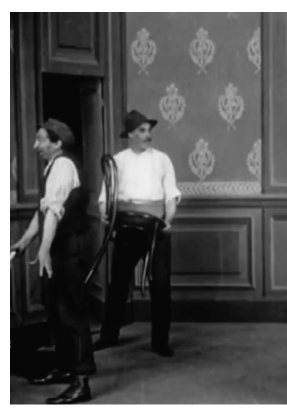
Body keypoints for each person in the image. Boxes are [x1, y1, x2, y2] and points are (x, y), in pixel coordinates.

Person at [12, 119, 96, 403]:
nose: (35, 146)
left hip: (69, 248)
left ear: (57, 143)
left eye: (40, 139)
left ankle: (81, 381)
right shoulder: (52, 167)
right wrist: (24, 243)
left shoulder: (63, 166)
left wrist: (44, 249)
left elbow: (55, 213)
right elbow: (43, 211)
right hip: (60, 247)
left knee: (72, 314)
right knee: (57, 314)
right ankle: (63, 367)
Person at [95, 110, 179, 357]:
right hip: (126, 227)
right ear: (130, 134)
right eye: (141, 131)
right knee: (119, 282)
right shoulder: (117, 161)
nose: (147, 135)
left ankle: (160, 342)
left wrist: (167, 220)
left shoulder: (162, 159)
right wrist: (104, 213)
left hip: (156, 226)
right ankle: (109, 335)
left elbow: (171, 195)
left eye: (148, 130)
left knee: (161, 285)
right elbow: (105, 197)